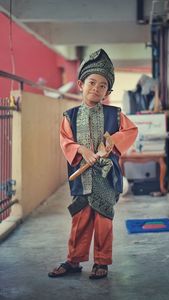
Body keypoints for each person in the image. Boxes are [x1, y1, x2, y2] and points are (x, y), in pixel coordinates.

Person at [48, 48, 138, 280]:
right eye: (92, 83)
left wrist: (111, 141)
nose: (96, 89)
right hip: (82, 176)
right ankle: (74, 260)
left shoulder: (115, 115)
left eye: (102, 86)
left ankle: (101, 262)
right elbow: (65, 140)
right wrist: (81, 149)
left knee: (104, 221)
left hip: (106, 178)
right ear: (80, 84)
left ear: (108, 91)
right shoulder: (69, 115)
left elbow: (130, 131)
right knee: (80, 219)